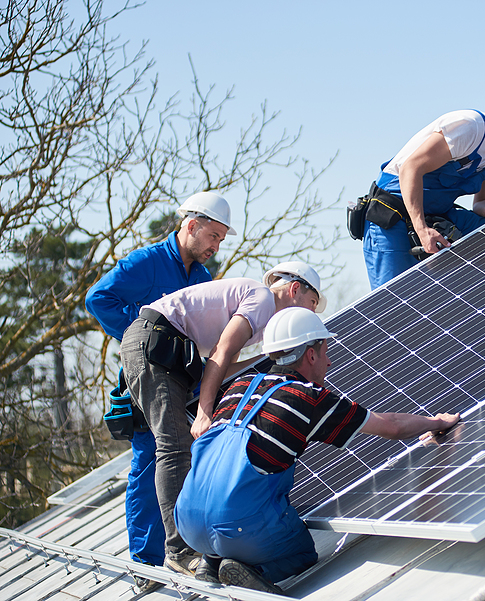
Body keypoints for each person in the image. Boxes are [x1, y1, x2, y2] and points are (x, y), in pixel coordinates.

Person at [174, 307, 460, 593]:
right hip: (238, 525)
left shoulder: (239, 386)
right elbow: (392, 426)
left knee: (226, 511)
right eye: (326, 351)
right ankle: (249, 570)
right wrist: (435, 422)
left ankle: (209, 563)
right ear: (311, 354)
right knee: (302, 553)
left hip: (186, 520)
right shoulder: (307, 398)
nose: (330, 361)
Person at [119, 261, 326, 578]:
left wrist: (271, 357)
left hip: (167, 348)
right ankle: (178, 551)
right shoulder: (262, 299)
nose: (312, 315)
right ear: (295, 289)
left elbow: (220, 367)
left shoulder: (261, 319)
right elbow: (220, 353)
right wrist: (204, 412)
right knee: (175, 447)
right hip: (155, 343)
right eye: (312, 305)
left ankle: (196, 547)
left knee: (178, 446)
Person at [84, 191, 234, 591]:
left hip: (183, 381)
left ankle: (186, 547)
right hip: (147, 380)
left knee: (184, 456)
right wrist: (141, 340)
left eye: (221, 239)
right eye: (213, 236)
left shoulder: (202, 280)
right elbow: (98, 299)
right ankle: (145, 563)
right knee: (149, 460)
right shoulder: (146, 262)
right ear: (191, 225)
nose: (216, 246)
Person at [362, 104, 485, 289]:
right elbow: (411, 168)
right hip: (393, 213)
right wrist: (422, 230)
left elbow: (480, 203)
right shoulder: (470, 128)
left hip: (436, 212)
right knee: (394, 300)